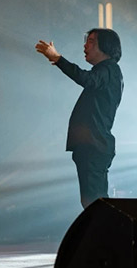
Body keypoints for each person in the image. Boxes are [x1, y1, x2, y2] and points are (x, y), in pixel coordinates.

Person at [36, 29, 124, 207]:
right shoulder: (107, 72)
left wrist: (58, 59)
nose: (85, 46)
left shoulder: (109, 70)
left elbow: (86, 78)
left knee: (95, 203)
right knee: (93, 202)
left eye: (91, 41)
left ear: (105, 45)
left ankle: (107, 226)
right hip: (93, 145)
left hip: (94, 145)